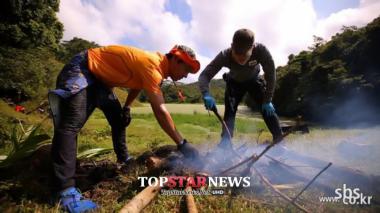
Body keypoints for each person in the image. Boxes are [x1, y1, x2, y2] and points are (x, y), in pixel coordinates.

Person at [49, 44, 201, 212]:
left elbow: (137, 85)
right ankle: (65, 192)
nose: (186, 75)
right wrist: (182, 143)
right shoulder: (152, 65)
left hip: (101, 82)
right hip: (85, 68)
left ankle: (124, 160)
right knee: (70, 125)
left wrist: (127, 107)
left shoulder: (154, 67)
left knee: (119, 119)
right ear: (177, 59)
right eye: (186, 69)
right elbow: (160, 110)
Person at [198, 28, 283, 150]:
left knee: (267, 109)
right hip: (234, 83)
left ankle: (279, 140)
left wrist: (268, 99)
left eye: (244, 56)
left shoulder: (261, 51)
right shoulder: (225, 55)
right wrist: (206, 93)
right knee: (230, 111)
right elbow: (204, 75)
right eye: (237, 55)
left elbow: (271, 75)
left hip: (254, 80)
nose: (240, 59)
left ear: (253, 47)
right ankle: (226, 143)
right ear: (232, 46)